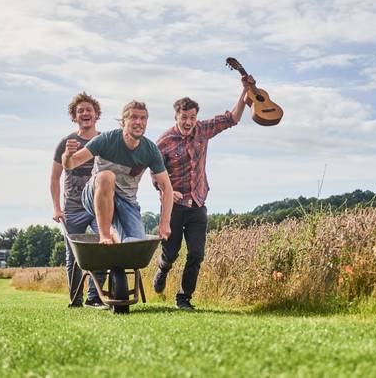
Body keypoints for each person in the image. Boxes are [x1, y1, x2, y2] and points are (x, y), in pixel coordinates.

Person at [152, 75, 254, 310]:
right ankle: (163, 268)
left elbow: (232, 118)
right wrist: (164, 191)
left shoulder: (203, 129)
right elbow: (155, 172)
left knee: (196, 254)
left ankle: (184, 297)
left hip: (198, 203)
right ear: (176, 116)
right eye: (184, 117)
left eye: (192, 117)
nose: (188, 122)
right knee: (172, 252)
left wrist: (244, 92)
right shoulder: (164, 142)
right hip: (174, 206)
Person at [62, 100, 173, 245]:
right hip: (96, 193)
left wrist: (164, 223)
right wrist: (68, 155)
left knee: (135, 245)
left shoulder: (150, 150)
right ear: (123, 122)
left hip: (126, 201)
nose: (139, 122)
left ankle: (116, 245)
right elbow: (71, 164)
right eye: (133, 117)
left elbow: (167, 188)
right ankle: (105, 235)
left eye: (143, 118)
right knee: (107, 176)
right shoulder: (106, 140)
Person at [50, 91, 106, 309]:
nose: (85, 113)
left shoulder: (104, 141)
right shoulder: (66, 142)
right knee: (73, 255)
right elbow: (55, 177)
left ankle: (94, 297)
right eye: (80, 111)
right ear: (74, 116)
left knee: (104, 246)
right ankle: (76, 299)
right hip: (72, 207)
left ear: (96, 115)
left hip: (98, 206)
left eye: (89, 110)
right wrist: (57, 207)